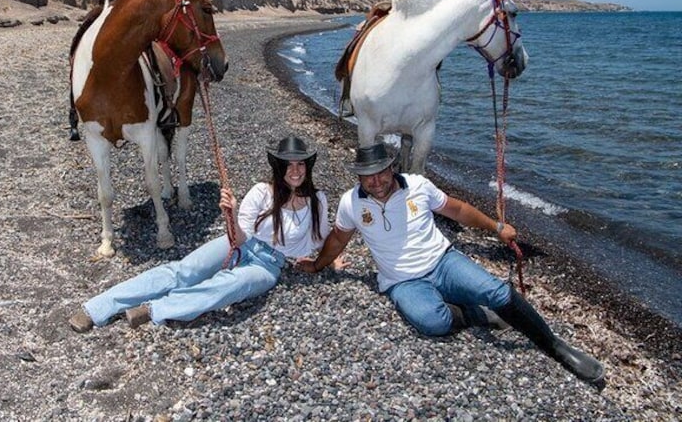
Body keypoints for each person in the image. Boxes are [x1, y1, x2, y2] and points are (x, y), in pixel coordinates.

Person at [297, 142, 605, 385]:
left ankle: (554, 346)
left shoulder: (418, 185)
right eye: (368, 175)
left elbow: (457, 210)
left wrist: (496, 227)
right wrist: (317, 265)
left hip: (443, 262)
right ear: (358, 176)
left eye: (381, 172)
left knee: (498, 292)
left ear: (392, 168)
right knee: (433, 323)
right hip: (402, 281)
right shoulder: (352, 202)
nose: (375, 181)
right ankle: (475, 314)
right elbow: (338, 239)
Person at [69, 135, 343, 331]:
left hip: (269, 265)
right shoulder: (262, 192)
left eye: (300, 165)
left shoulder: (317, 201)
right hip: (241, 245)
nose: (295, 171)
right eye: (288, 165)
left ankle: (154, 309)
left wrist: (329, 260)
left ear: (307, 168)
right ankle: (97, 308)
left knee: (228, 287)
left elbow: (320, 237)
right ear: (279, 167)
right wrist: (232, 213)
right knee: (182, 271)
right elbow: (238, 239)